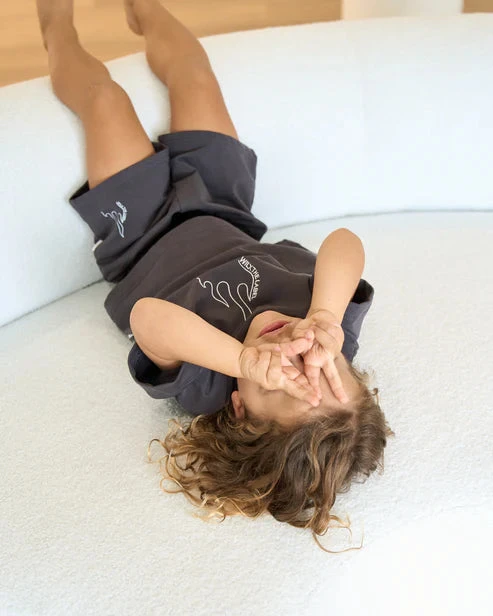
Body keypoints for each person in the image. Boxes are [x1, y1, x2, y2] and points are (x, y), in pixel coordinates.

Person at [36, 0, 394, 552]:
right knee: (195, 73)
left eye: (277, 378)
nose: (293, 349)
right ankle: (144, 11)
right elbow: (345, 243)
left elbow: (147, 318)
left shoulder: (206, 383)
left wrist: (244, 361)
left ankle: (55, 26)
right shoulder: (326, 328)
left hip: (141, 233)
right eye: (324, 365)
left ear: (239, 407)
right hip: (224, 206)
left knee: (105, 100)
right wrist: (325, 315)